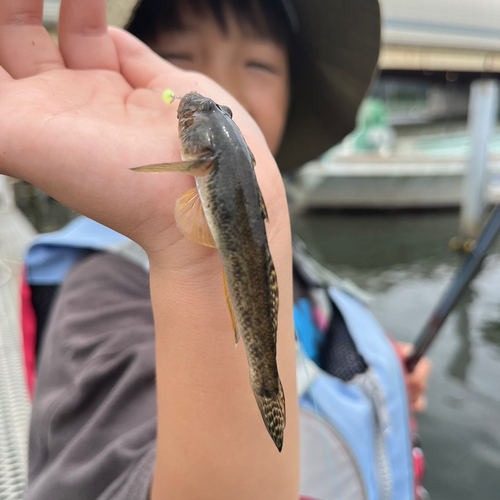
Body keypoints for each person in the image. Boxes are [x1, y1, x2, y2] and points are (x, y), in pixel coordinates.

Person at [0, 0, 430, 498]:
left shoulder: (313, 290)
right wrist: (182, 251)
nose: (213, 82)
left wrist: (369, 372)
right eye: (180, 58)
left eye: (258, 64)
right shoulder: (100, 295)